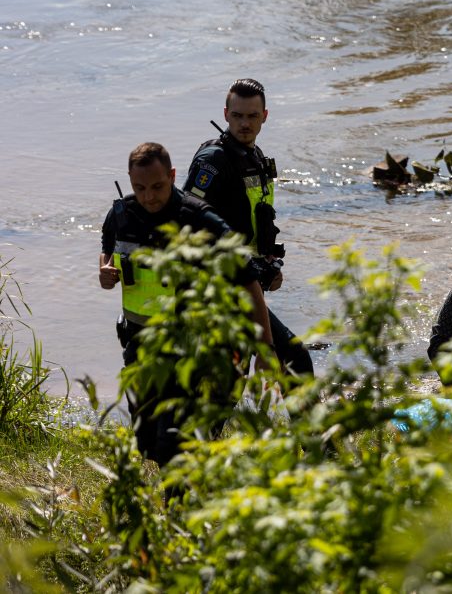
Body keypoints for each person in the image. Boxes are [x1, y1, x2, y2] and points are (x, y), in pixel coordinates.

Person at [99, 142, 273, 467]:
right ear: (129, 181)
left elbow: (248, 278)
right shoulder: (121, 215)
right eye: (140, 188)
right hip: (141, 345)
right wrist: (105, 271)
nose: (149, 196)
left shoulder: (199, 219)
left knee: (171, 441)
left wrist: (265, 348)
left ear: (173, 176)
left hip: (191, 347)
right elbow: (109, 248)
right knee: (146, 441)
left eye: (157, 187)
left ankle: (177, 509)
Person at [184, 78, 313, 375]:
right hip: (221, 288)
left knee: (235, 378)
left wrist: (267, 263)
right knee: (293, 359)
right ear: (226, 114)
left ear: (264, 117)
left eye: (252, 116)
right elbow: (187, 221)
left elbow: (255, 222)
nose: (245, 123)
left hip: (248, 283)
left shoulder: (254, 158)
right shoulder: (213, 160)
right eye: (238, 115)